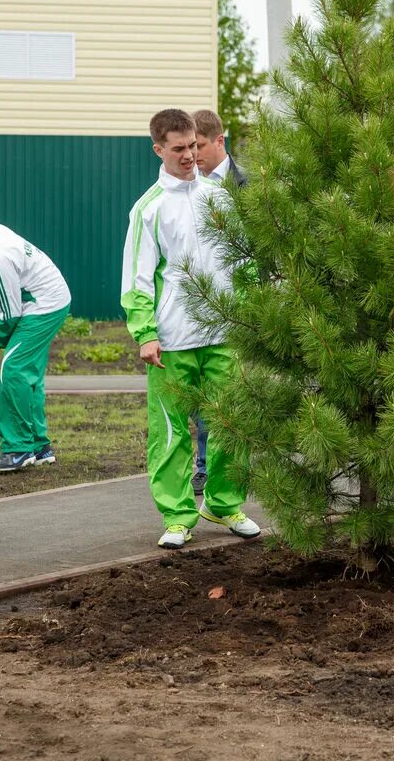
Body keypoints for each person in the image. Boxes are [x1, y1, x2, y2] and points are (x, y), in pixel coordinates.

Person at [122, 108, 261, 549]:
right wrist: (145, 333)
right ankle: (178, 515)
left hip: (225, 332)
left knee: (231, 422)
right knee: (172, 429)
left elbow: (244, 262)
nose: (189, 156)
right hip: (172, 340)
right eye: (179, 148)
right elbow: (137, 280)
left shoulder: (220, 199)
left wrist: (254, 312)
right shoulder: (148, 209)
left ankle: (223, 504)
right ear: (158, 149)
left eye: (195, 147)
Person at [0, 220, 72, 471]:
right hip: (41, 295)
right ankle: (40, 446)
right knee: (28, 375)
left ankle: (18, 449)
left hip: (43, 303)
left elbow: (9, 313)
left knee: (14, 368)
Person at [188, 108, 247, 496]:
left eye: (200, 146)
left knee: (230, 394)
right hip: (198, 304)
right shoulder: (185, 186)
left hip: (238, 303)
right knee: (199, 396)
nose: (193, 155)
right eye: (189, 147)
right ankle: (204, 462)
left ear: (219, 141)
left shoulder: (245, 187)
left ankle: (223, 470)